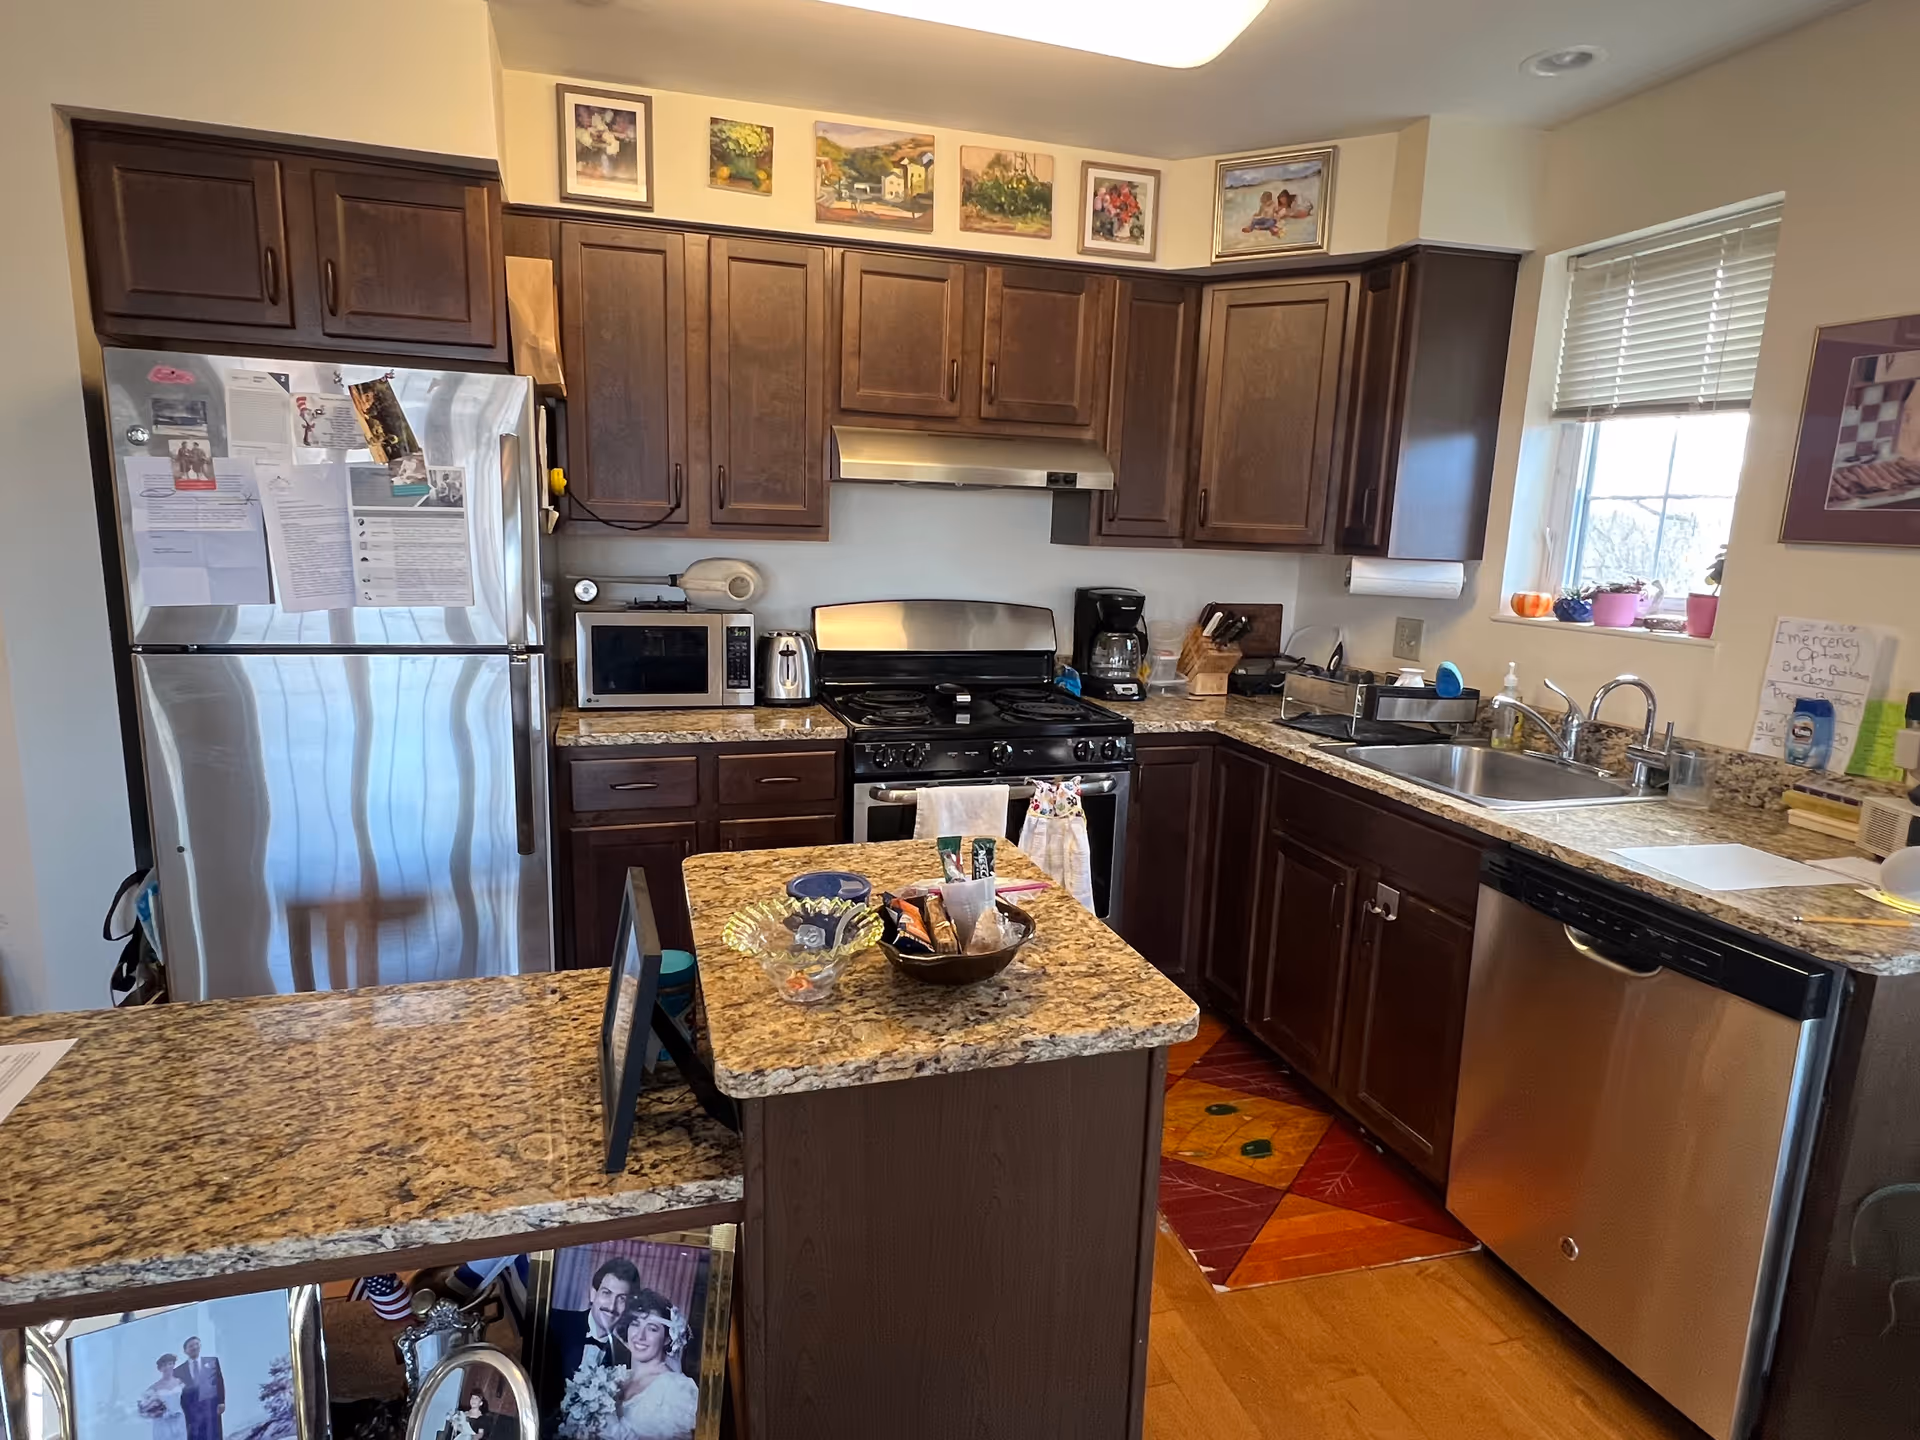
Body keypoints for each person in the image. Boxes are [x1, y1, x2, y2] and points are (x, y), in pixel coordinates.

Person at [540, 1257, 639, 1434]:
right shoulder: (554, 1323)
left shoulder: (625, 1358)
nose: (612, 1306)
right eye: (606, 1293)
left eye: (622, 1299)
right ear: (593, 1294)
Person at [603, 1292, 697, 1440]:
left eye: (652, 1329)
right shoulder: (614, 1378)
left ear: (667, 1338)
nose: (640, 1336)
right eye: (635, 1324)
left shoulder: (677, 1389)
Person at [175, 1336, 224, 1440]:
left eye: (197, 1344)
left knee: (214, 1434)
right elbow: (179, 1393)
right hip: (192, 1411)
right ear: (185, 1351)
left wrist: (221, 1402)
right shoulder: (178, 1371)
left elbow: (219, 1382)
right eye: (191, 1346)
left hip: (211, 1406)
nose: (194, 1347)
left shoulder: (212, 1362)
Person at [141, 1354, 188, 1440]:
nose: (167, 1367)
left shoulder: (180, 1382)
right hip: (163, 1423)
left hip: (179, 1420)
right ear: (160, 1369)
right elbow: (145, 1406)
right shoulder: (155, 1387)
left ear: (174, 1365)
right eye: (164, 1365)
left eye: (170, 1364)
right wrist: (156, 1411)